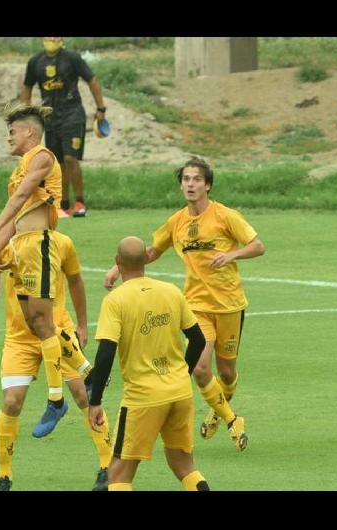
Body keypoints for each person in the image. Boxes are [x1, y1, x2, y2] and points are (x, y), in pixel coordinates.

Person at [103, 157, 265, 451]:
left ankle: (218, 409)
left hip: (229, 305)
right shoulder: (176, 222)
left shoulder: (225, 216)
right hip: (196, 306)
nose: (190, 184)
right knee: (201, 369)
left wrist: (231, 256)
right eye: (186, 179)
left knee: (226, 372)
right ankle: (232, 420)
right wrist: (119, 268)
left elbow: (257, 245)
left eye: (196, 179)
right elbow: (152, 251)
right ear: (181, 185)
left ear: (208, 185)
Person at [0, 229, 113, 492]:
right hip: (20, 338)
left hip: (57, 332)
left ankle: (108, 467)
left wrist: (83, 324)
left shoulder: (62, 242)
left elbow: (76, 281)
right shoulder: (5, 243)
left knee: (84, 397)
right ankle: (4, 476)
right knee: (11, 401)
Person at [0, 102, 83, 439]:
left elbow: (25, 195)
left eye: (12, 131)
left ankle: (56, 398)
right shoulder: (21, 166)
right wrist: (1, 245)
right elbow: (21, 207)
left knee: (44, 321)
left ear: (30, 132)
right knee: (36, 322)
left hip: (39, 243)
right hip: (23, 245)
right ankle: (85, 371)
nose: (8, 137)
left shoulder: (41, 156)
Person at [88, 236, 209, 491]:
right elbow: (198, 340)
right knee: (184, 466)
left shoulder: (115, 301)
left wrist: (95, 401)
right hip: (179, 392)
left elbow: (106, 354)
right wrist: (180, 374)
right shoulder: (171, 291)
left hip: (143, 398)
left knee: (118, 474)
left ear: (117, 262)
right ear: (145, 260)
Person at [21, 36, 107, 218]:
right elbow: (27, 87)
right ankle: (63, 204)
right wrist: (26, 114)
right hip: (50, 118)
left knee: (70, 158)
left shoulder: (72, 58)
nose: (52, 39)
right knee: (57, 163)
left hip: (73, 115)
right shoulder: (35, 62)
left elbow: (92, 80)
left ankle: (80, 202)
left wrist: (100, 108)